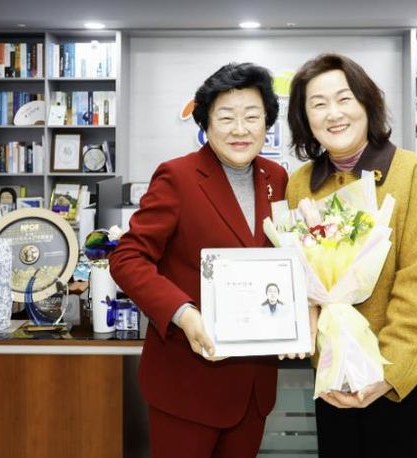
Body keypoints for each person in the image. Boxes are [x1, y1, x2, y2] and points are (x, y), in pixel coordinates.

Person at [109, 62, 288, 458]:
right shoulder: (178, 177)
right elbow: (128, 257)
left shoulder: (276, 178)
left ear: (267, 123)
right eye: (226, 117)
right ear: (206, 123)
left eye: (252, 116)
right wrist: (183, 313)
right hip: (187, 384)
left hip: (253, 385)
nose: (240, 129)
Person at [287, 53, 417, 457]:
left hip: (402, 377)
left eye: (344, 98)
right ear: (305, 118)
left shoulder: (412, 174)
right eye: (318, 104)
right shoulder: (300, 185)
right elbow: (300, 280)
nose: (333, 113)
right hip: (335, 377)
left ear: (367, 103)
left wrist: (385, 372)